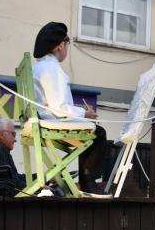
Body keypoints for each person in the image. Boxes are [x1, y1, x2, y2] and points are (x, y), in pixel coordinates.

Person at [32, 22, 108, 193]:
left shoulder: (37, 67)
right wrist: (84, 114)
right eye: (68, 44)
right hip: (50, 121)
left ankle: (86, 184)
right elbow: (59, 108)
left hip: (42, 119)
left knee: (93, 133)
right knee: (98, 133)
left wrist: (81, 114)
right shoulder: (51, 68)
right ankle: (90, 185)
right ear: (61, 45)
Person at [0, 116, 26, 195]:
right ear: (1, 135)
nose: (15, 139)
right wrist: (41, 188)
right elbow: (16, 185)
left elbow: (16, 178)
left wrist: (44, 178)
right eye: (13, 134)